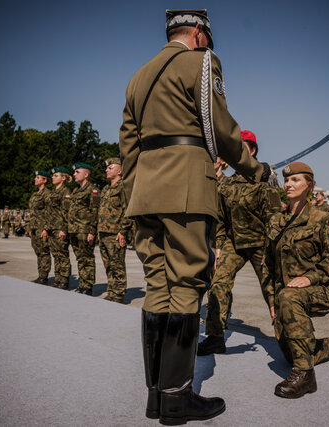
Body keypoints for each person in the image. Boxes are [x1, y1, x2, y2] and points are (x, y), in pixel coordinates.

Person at [119, 9, 272, 424]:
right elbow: (220, 127)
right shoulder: (201, 61)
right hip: (186, 183)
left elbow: (128, 146)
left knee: (156, 287)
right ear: (199, 32)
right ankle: (177, 399)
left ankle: (156, 395)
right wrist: (256, 169)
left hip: (145, 192)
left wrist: (134, 195)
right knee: (187, 284)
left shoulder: (138, 76)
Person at [262, 162, 329, 399]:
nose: (289, 184)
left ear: (309, 185)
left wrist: (308, 278)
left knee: (289, 298)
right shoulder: (276, 221)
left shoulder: (322, 218)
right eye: (287, 181)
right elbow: (268, 266)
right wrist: (272, 300)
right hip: (285, 296)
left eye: (296, 180)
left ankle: (305, 377)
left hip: (318, 290)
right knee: (294, 353)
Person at [198, 130, 281, 355]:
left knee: (272, 290)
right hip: (234, 244)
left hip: (261, 244)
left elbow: (275, 217)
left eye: (240, 146)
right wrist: (218, 247)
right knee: (218, 285)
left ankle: (289, 340)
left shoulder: (263, 178)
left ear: (251, 150)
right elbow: (222, 218)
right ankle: (215, 337)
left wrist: (271, 250)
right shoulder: (228, 183)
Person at [97, 158, 132, 303]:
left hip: (115, 233)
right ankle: (111, 291)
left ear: (119, 171)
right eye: (107, 168)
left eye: (110, 168)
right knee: (108, 264)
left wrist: (123, 231)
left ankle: (118, 294)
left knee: (117, 264)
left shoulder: (123, 187)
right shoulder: (106, 189)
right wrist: (98, 230)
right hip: (104, 232)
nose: (106, 170)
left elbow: (128, 210)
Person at [68, 163, 100, 295]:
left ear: (86, 174)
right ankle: (82, 284)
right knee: (80, 258)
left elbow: (95, 212)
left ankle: (88, 286)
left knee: (87, 259)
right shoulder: (76, 191)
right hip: (74, 230)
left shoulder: (93, 190)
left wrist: (92, 232)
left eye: (77, 172)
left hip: (85, 230)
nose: (74, 174)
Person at [44, 166, 73, 290]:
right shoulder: (52, 192)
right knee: (55, 254)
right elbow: (48, 212)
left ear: (63, 178)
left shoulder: (66, 192)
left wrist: (64, 229)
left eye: (56, 175)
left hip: (60, 227)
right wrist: (46, 228)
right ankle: (58, 279)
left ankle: (64, 280)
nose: (52, 177)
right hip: (51, 227)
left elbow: (67, 212)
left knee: (62, 255)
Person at [29, 170, 52, 284]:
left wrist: (46, 229)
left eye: (38, 177)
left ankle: (44, 276)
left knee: (44, 252)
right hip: (34, 227)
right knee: (38, 251)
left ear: (44, 180)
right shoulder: (35, 194)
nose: (35, 179)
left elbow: (49, 213)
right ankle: (40, 275)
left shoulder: (47, 194)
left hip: (42, 228)